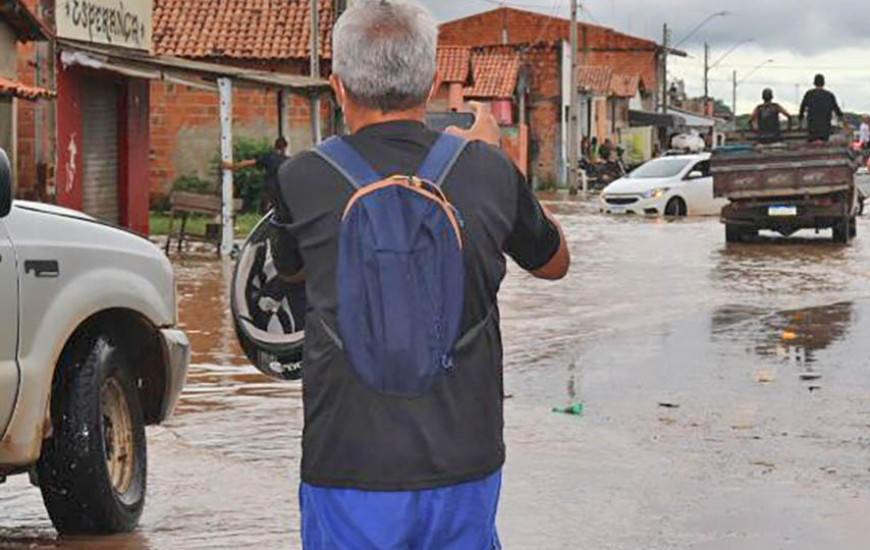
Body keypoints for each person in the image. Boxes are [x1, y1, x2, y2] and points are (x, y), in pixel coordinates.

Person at [269, 2, 570, 548]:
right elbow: (555, 263)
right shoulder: (490, 171)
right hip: (465, 458)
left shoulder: (299, 179)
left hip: (346, 460)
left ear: (337, 87)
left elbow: (285, 276)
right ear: (433, 85)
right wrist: (498, 162)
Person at [224, 136, 289, 211]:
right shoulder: (287, 160)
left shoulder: (268, 157)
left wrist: (232, 166)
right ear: (285, 147)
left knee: (266, 210)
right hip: (283, 191)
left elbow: (249, 162)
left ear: (275, 146)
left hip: (270, 189)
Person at [799, 74, 843, 142]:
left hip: (812, 127)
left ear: (814, 83)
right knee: (824, 144)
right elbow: (837, 111)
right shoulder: (829, 95)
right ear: (823, 83)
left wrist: (800, 119)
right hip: (825, 128)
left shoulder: (809, 94)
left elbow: (802, 108)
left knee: (812, 146)